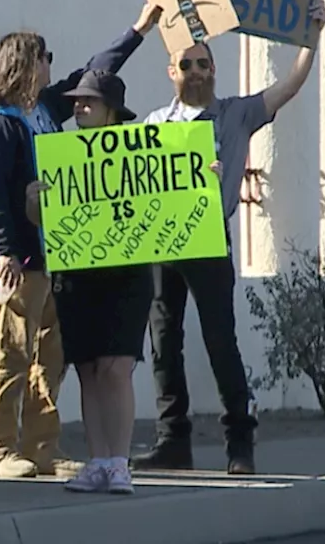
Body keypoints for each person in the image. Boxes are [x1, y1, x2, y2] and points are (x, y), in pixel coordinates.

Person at [133, 0, 325, 475]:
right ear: (171, 72)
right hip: (162, 246)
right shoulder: (154, 125)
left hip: (209, 243)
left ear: (213, 69)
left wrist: (312, 37)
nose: (196, 72)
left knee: (222, 341)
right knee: (164, 343)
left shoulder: (236, 115)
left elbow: (288, 87)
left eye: (203, 63)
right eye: (187, 65)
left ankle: (240, 443)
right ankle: (171, 440)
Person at [0, 3, 161, 479]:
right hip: (22, 259)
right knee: (12, 351)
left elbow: (96, 70)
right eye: (45, 56)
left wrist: (137, 30)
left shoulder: (46, 112)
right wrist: (4, 252)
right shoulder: (1, 124)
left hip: (59, 257)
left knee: (49, 358)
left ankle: (40, 446)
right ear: (26, 64)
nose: (52, 64)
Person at [27, 70, 222, 495]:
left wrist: (205, 178)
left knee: (116, 367)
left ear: (111, 111)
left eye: (88, 102)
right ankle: (97, 460)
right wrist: (34, 203)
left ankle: (118, 461)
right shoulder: (62, 156)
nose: (78, 108)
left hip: (127, 276)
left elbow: (178, 189)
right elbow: (41, 220)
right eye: (77, 102)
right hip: (77, 275)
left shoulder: (140, 153)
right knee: (89, 369)